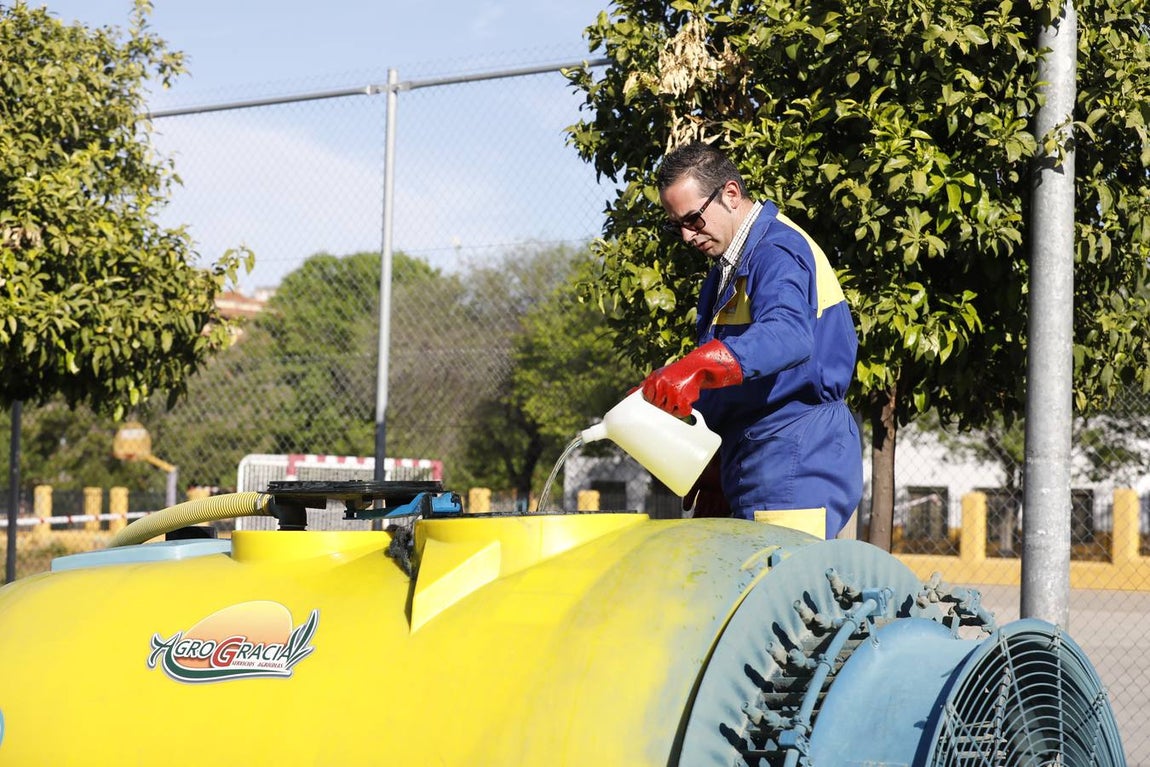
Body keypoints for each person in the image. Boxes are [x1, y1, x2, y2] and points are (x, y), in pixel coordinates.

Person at [638, 140, 862, 538]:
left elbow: (788, 335)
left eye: (693, 219)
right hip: (752, 455)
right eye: (677, 226)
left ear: (730, 194)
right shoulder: (726, 270)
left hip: (795, 453)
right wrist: (716, 468)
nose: (688, 237)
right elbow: (742, 377)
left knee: (783, 593)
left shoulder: (776, 250)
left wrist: (697, 366)